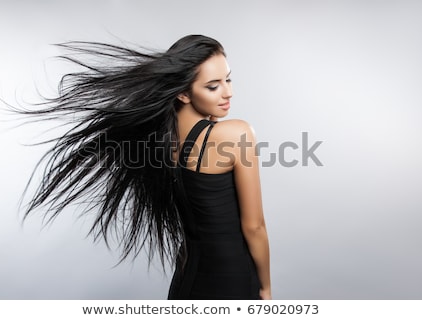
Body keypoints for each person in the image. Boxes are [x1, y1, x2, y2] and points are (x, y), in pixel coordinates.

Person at [15, 35, 271, 299]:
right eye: (213, 86)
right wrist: (265, 287)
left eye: (228, 79)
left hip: (186, 278)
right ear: (183, 92)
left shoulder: (159, 142)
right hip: (232, 279)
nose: (229, 92)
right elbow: (254, 226)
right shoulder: (235, 134)